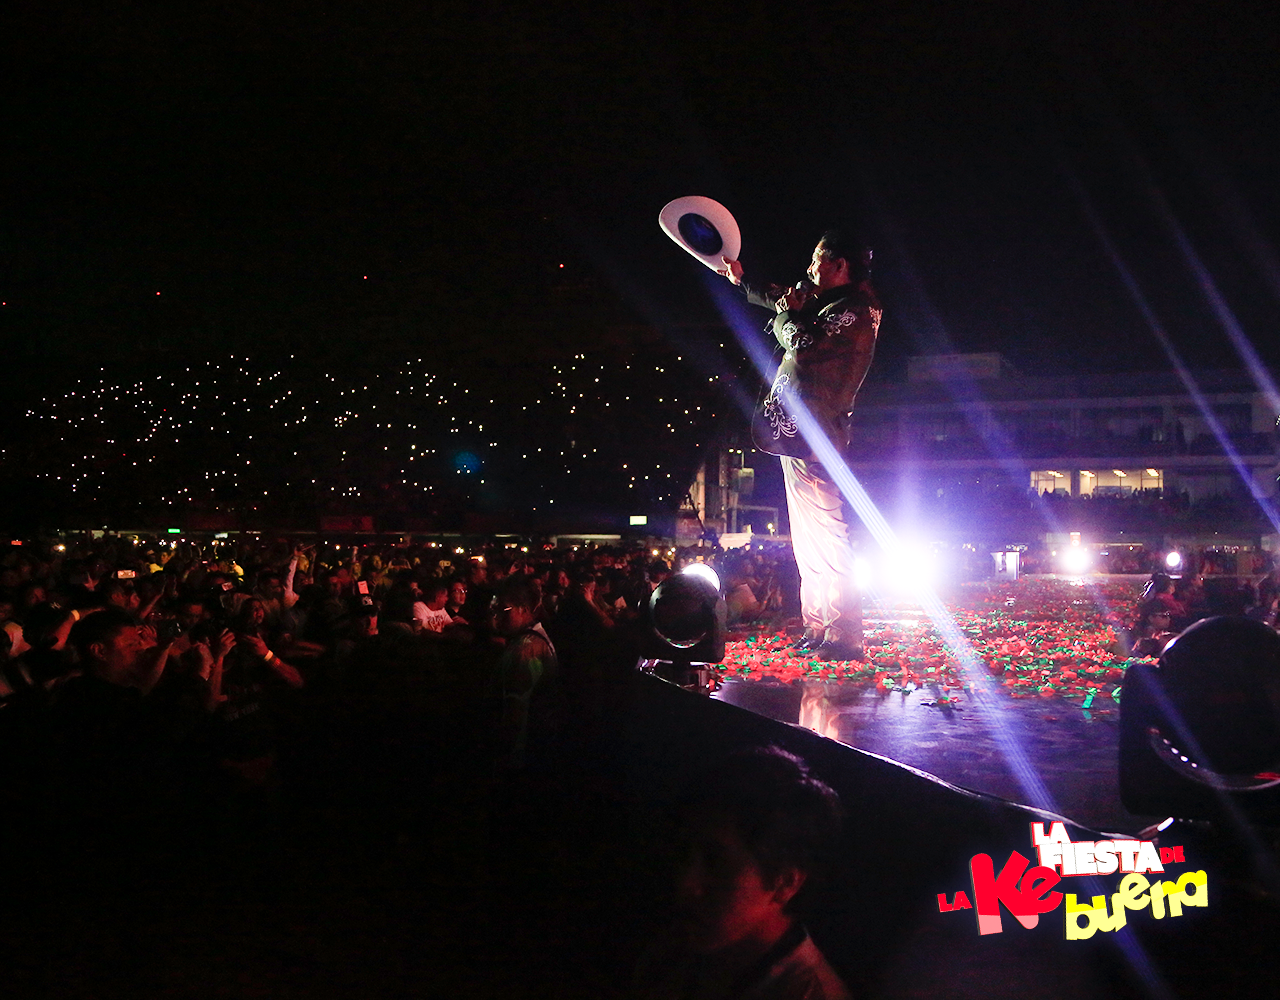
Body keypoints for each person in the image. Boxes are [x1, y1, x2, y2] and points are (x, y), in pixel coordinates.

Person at [719, 230, 881, 661]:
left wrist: (784, 319)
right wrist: (740, 279)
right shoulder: (831, 301)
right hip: (797, 431)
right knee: (808, 540)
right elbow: (783, 298)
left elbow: (806, 345)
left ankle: (844, 632)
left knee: (827, 537)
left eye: (817, 262)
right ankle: (818, 625)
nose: (810, 270)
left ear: (839, 264)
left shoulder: (857, 310)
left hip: (819, 434)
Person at [634, 746, 850, 1000]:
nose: (686, 883)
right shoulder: (675, 951)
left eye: (717, 863)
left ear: (785, 883)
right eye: (683, 853)